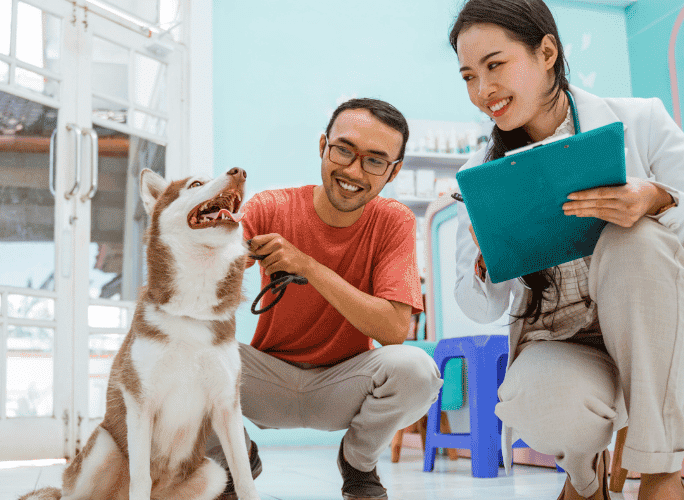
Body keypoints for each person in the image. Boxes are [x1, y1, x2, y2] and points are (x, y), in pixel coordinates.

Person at [449, 1, 684, 499]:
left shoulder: (639, 120)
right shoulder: (482, 173)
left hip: (652, 328)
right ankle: (584, 477)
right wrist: (488, 260)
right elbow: (476, 305)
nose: (482, 90)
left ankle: (663, 468)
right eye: (468, 75)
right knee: (538, 402)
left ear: (547, 52)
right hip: (561, 337)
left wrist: (657, 197)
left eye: (495, 65)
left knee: (636, 238)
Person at [206, 98, 444, 500]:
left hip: (344, 385)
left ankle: (358, 463)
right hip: (266, 381)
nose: (353, 171)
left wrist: (309, 267)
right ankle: (235, 455)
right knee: (184, 354)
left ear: (394, 171)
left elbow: (393, 331)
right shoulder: (272, 206)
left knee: (417, 370)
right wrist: (213, 240)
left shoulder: (394, 220)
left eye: (374, 161)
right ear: (323, 146)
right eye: (344, 151)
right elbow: (209, 275)